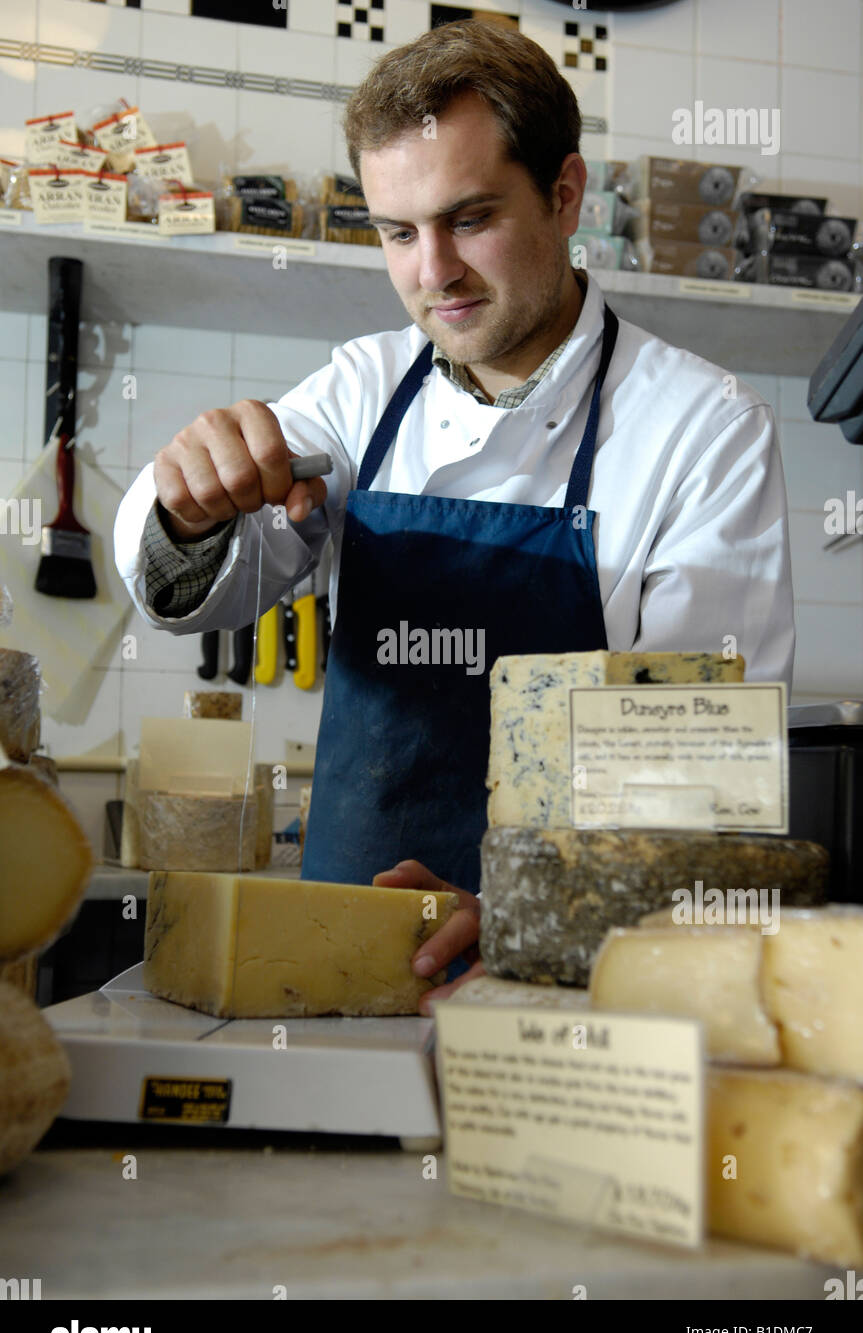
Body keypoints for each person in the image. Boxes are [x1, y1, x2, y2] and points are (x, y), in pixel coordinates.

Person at [115, 20, 794, 1011]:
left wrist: (523, 914)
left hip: (566, 974)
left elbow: (700, 766)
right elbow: (197, 595)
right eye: (397, 232)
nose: (431, 271)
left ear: (563, 197)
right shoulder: (360, 391)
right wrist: (188, 505)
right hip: (342, 948)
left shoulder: (700, 425)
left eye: (467, 218)